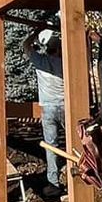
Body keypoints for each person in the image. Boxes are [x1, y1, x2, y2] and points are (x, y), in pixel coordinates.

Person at [30, 24, 67, 192]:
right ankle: (82, 174)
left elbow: (25, 46)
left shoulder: (40, 61)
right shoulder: (65, 64)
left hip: (48, 110)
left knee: (51, 146)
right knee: (76, 141)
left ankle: (54, 183)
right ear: (58, 49)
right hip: (66, 108)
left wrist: (35, 32)